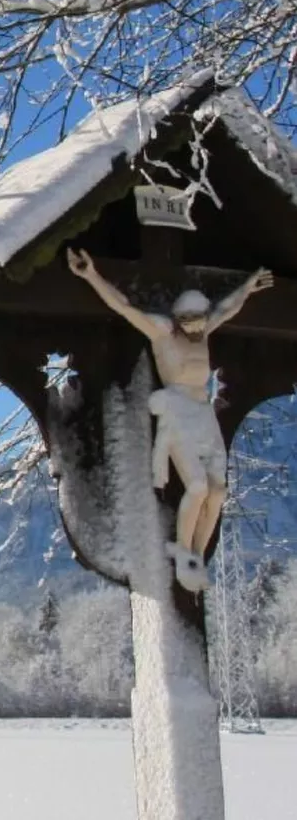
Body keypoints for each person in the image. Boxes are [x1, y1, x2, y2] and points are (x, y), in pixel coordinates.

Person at [66, 248, 273, 590]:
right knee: (198, 486)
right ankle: (183, 549)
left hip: (202, 411)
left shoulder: (204, 332)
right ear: (179, 318)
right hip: (177, 411)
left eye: (201, 319)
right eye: (191, 320)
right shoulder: (162, 333)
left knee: (218, 491)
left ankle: (196, 554)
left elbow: (229, 308)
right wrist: (91, 275)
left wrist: (248, 287)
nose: (198, 325)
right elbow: (124, 306)